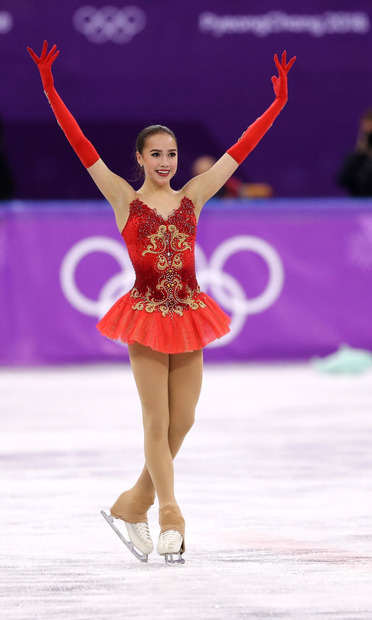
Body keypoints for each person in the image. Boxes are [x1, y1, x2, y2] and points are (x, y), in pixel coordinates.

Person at [28, 41, 295, 564]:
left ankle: (132, 503)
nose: (166, 162)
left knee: (184, 421)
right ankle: (169, 514)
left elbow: (240, 150)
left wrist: (278, 105)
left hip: (190, 310)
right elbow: (80, 144)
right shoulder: (123, 200)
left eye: (171, 154)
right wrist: (50, 89)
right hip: (146, 314)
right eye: (156, 154)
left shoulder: (193, 196)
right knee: (156, 421)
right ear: (140, 159)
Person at [191, 155, 273, 199]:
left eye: (206, 173)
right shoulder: (191, 193)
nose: (204, 178)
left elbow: (264, 191)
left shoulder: (227, 185)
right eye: (200, 174)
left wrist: (232, 200)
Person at [338, 108, 372, 196]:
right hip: (360, 205)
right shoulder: (356, 158)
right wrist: (360, 155)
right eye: (367, 134)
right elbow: (342, 180)